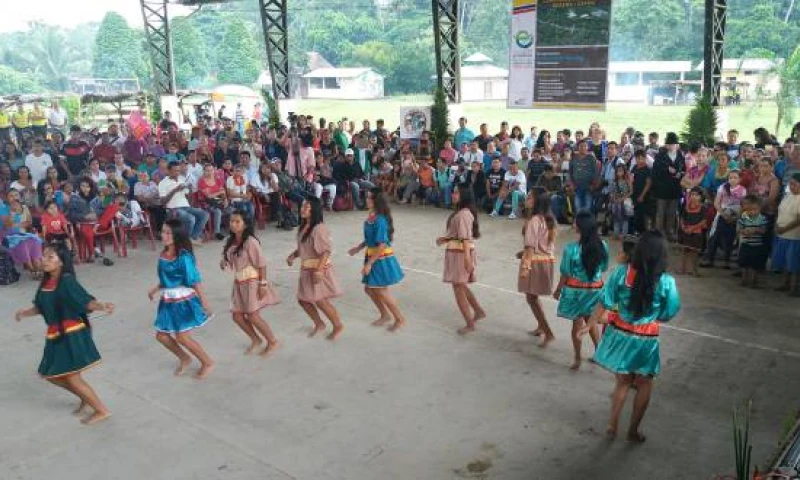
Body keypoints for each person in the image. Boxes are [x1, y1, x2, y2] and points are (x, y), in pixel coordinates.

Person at [580, 231, 680, 443]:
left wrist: (589, 324)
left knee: (622, 383)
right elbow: (669, 312)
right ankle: (633, 431)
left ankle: (612, 425)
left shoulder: (622, 273)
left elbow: (605, 300)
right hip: (646, 340)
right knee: (644, 383)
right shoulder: (666, 281)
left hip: (621, 334)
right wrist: (653, 317)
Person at [14, 244, 114, 424]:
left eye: (50, 257)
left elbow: (84, 301)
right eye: (44, 256)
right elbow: (40, 306)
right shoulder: (45, 282)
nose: (44, 260)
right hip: (54, 334)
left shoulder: (67, 281)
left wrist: (102, 306)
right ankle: (85, 397)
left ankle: (101, 410)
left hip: (71, 333)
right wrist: (24, 313)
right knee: (51, 375)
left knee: (72, 377)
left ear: (61, 262)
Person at [148, 219, 214, 379]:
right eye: (163, 231)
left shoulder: (184, 256)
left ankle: (207, 362)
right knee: (161, 336)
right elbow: (166, 277)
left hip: (183, 300)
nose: (164, 235)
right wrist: (156, 289)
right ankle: (184, 358)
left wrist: (204, 301)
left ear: (177, 235)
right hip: (167, 300)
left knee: (182, 337)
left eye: (168, 232)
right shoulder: (163, 254)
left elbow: (194, 280)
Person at [553, 210, 609, 370]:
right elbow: (604, 267)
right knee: (591, 322)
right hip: (595, 290)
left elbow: (566, 272)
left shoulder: (571, 249)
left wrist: (558, 290)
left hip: (575, 291)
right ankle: (599, 353)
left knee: (576, 325)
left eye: (575, 222)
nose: (573, 224)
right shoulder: (602, 245)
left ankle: (577, 358)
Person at [221, 210, 281, 355]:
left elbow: (261, 264)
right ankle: (255, 339)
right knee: (237, 316)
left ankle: (272, 341)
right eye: (231, 221)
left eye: (237, 222)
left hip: (252, 282)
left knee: (253, 315)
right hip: (239, 283)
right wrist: (224, 262)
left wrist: (263, 284)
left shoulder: (251, 242)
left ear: (245, 224)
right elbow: (230, 259)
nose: (233, 224)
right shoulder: (231, 241)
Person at [347, 188, 406, 332]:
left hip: (381, 258)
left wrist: (369, 263)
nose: (366, 200)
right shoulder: (371, 216)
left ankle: (400, 319)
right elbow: (370, 239)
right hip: (372, 255)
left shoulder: (380, 220)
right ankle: (385, 315)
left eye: (368, 198)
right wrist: (359, 248)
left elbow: (382, 244)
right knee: (369, 289)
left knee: (382, 291)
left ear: (375, 201)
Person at [286, 197, 344, 340]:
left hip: (318, 269)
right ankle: (319, 323)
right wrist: (294, 255)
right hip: (307, 269)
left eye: (306, 207)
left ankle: (338, 325)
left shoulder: (319, 228)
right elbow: (305, 247)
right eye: (302, 206)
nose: (302, 209)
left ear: (314, 210)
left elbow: (326, 251)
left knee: (320, 301)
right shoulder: (304, 227)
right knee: (303, 299)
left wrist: (319, 270)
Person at [436, 185, 486, 334]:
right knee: (461, 285)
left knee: (458, 288)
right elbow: (459, 235)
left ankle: (470, 323)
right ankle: (478, 311)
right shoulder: (462, 212)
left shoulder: (463, 214)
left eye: (457, 192)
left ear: (464, 195)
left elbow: (464, 238)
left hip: (460, 254)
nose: (453, 194)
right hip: (456, 252)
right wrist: (444, 239)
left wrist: (467, 259)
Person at [517, 191, 556, 347]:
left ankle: (548, 332)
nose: (527, 199)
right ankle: (542, 326)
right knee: (533, 297)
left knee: (531, 298)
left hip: (535, 262)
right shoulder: (548, 219)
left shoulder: (534, 220)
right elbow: (545, 244)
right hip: (546, 261)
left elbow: (530, 246)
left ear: (537, 202)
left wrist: (526, 266)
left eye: (530, 197)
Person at [701, 170, 746, 269]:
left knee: (730, 239)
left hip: (735, 217)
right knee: (715, 237)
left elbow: (743, 205)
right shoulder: (722, 187)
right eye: (730, 178)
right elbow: (717, 203)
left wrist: (735, 217)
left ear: (740, 179)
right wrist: (723, 214)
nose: (732, 180)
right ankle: (710, 259)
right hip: (722, 214)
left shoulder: (743, 190)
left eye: (735, 178)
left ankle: (727, 261)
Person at [158, 161, 209, 244]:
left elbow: (189, 200)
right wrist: (174, 190)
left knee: (205, 214)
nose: (177, 173)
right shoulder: (163, 183)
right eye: (175, 171)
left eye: (178, 170)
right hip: (173, 209)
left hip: (186, 207)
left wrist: (190, 191)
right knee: (190, 218)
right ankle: (187, 240)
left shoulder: (181, 180)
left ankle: (191, 238)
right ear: (169, 171)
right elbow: (163, 202)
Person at [1, 189, 44, 277]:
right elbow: (7, 225)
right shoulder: (4, 209)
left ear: (20, 197)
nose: (14, 198)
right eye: (11, 196)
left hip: (21, 234)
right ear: (7, 198)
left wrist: (17, 224)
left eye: (16, 195)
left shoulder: (24, 207)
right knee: (22, 244)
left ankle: (38, 268)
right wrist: (12, 213)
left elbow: (29, 222)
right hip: (7, 235)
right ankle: (32, 270)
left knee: (34, 241)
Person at [772, 173, 800, 296]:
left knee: (793, 264)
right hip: (782, 233)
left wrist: (785, 228)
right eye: (791, 183)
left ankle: (794, 288)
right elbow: (780, 211)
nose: (792, 186)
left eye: (795, 184)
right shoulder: (787, 196)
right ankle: (785, 284)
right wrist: (777, 225)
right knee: (784, 262)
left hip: (794, 236)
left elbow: (799, 219)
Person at [737, 195, 768, 288]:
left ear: (760, 209)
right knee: (744, 264)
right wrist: (744, 231)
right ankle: (744, 279)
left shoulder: (762, 218)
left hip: (756, 245)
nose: (752, 212)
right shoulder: (743, 217)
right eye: (750, 209)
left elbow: (764, 230)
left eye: (755, 209)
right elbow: (739, 229)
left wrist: (755, 230)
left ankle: (753, 281)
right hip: (745, 244)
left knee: (754, 265)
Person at [677, 187, 708, 276]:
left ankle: (694, 270)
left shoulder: (703, 208)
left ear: (701, 197)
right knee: (684, 250)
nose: (694, 197)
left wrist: (692, 228)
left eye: (696, 195)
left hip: (696, 232)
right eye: (692, 195)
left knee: (694, 252)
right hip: (686, 230)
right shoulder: (686, 206)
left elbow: (704, 221)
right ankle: (682, 269)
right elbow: (682, 218)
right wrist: (683, 226)